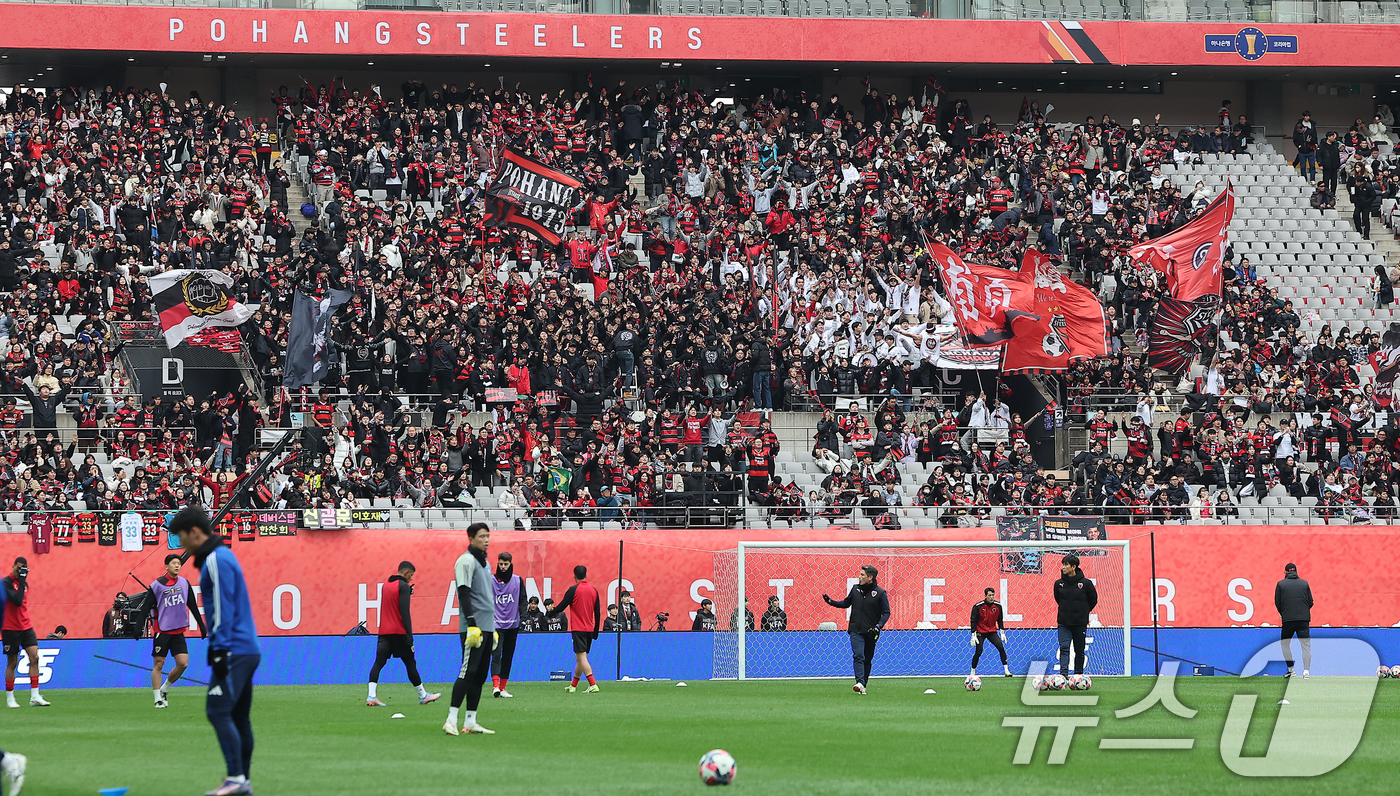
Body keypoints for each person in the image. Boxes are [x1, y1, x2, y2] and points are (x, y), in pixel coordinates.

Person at [170, 507, 261, 796]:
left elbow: (222, 607)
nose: (181, 547)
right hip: (246, 648)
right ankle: (242, 781)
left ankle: (236, 778)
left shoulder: (215, 560)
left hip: (233, 648)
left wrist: (219, 649)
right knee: (238, 716)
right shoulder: (223, 555)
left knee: (217, 710)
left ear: (195, 532)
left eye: (182, 538)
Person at [444, 523, 496, 736]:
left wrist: (491, 628)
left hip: (486, 625)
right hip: (473, 627)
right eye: (482, 536)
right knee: (468, 671)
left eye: (488, 536)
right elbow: (463, 593)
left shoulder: (485, 563)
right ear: (471, 538)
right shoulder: (465, 561)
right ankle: (451, 719)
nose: (486, 540)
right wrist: (472, 623)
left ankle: (471, 721)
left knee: (480, 674)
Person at [365, 561, 439, 707]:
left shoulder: (386, 584)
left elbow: (392, 602)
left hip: (384, 632)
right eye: (411, 575)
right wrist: (409, 636)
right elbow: (404, 613)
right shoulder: (403, 586)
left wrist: (406, 592)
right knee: (410, 663)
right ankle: (423, 696)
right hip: (399, 632)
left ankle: (371, 696)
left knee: (378, 662)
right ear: (405, 573)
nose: (411, 579)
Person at [146, 553, 209, 708]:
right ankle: (157, 698)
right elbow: (146, 607)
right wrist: (138, 626)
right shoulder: (157, 585)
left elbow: (192, 605)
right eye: (173, 563)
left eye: (179, 563)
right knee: (159, 664)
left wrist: (201, 624)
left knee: (183, 663)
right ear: (166, 566)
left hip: (178, 631)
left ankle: (164, 688)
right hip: (162, 630)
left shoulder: (184, 583)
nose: (177, 566)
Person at [822, 564, 891, 695]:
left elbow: (886, 612)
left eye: (862, 575)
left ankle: (863, 685)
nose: (859, 577)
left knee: (867, 659)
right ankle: (859, 682)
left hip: (871, 631)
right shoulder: (855, 590)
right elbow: (846, 603)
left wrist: (878, 627)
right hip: (855, 630)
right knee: (858, 655)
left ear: (870, 578)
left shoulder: (880, 593)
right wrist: (831, 602)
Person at [545, 564, 601, 693]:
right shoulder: (594, 591)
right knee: (580, 658)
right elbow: (597, 612)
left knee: (582, 658)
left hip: (578, 628)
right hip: (589, 629)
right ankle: (573, 686)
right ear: (586, 575)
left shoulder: (573, 590)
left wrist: (549, 614)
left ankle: (593, 684)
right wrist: (596, 630)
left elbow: (561, 606)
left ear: (574, 575)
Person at [3, 557, 47, 708]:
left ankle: (35, 696)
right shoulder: (5, 583)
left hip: (26, 626)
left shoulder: (24, 584)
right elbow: (17, 601)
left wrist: (22, 582)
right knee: (12, 662)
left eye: (23, 569)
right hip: (10, 628)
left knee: (34, 657)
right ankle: (10, 698)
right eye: (18, 568)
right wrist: (21, 581)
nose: (20, 571)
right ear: (13, 566)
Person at [1052, 554, 1097, 677]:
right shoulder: (1058, 584)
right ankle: (1063, 675)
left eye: (1066, 565)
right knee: (1064, 648)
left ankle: (1078, 676)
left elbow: (1093, 600)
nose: (1063, 567)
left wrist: (1083, 611)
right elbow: (1058, 599)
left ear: (1073, 567)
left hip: (1080, 623)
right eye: (1063, 564)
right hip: (1064, 623)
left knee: (1079, 651)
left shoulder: (1086, 584)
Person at [490, 551, 526, 699]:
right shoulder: (490, 580)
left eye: (506, 564)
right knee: (496, 655)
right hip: (496, 624)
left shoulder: (518, 580)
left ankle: (503, 688)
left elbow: (523, 600)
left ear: (510, 564)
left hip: (513, 625)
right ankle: (495, 686)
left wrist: (524, 618)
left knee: (508, 656)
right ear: (497, 563)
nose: (503, 567)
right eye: (501, 564)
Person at [1275, 562, 1314, 679]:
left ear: (1286, 572)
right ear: (1296, 571)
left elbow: (1278, 603)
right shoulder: (1304, 584)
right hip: (1303, 619)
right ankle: (1306, 672)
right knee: (1305, 645)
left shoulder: (1280, 584)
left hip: (1288, 620)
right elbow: (1311, 602)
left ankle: (1291, 670)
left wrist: (1285, 613)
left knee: (1285, 644)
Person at [969, 587, 1012, 677]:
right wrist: (973, 635)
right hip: (980, 631)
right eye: (989, 595)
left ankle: (1006, 670)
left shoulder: (998, 606)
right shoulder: (978, 606)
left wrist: (1002, 632)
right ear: (985, 596)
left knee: (1000, 646)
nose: (991, 597)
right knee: (979, 651)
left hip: (992, 631)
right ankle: (972, 672)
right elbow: (973, 621)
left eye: (993, 595)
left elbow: (1000, 620)